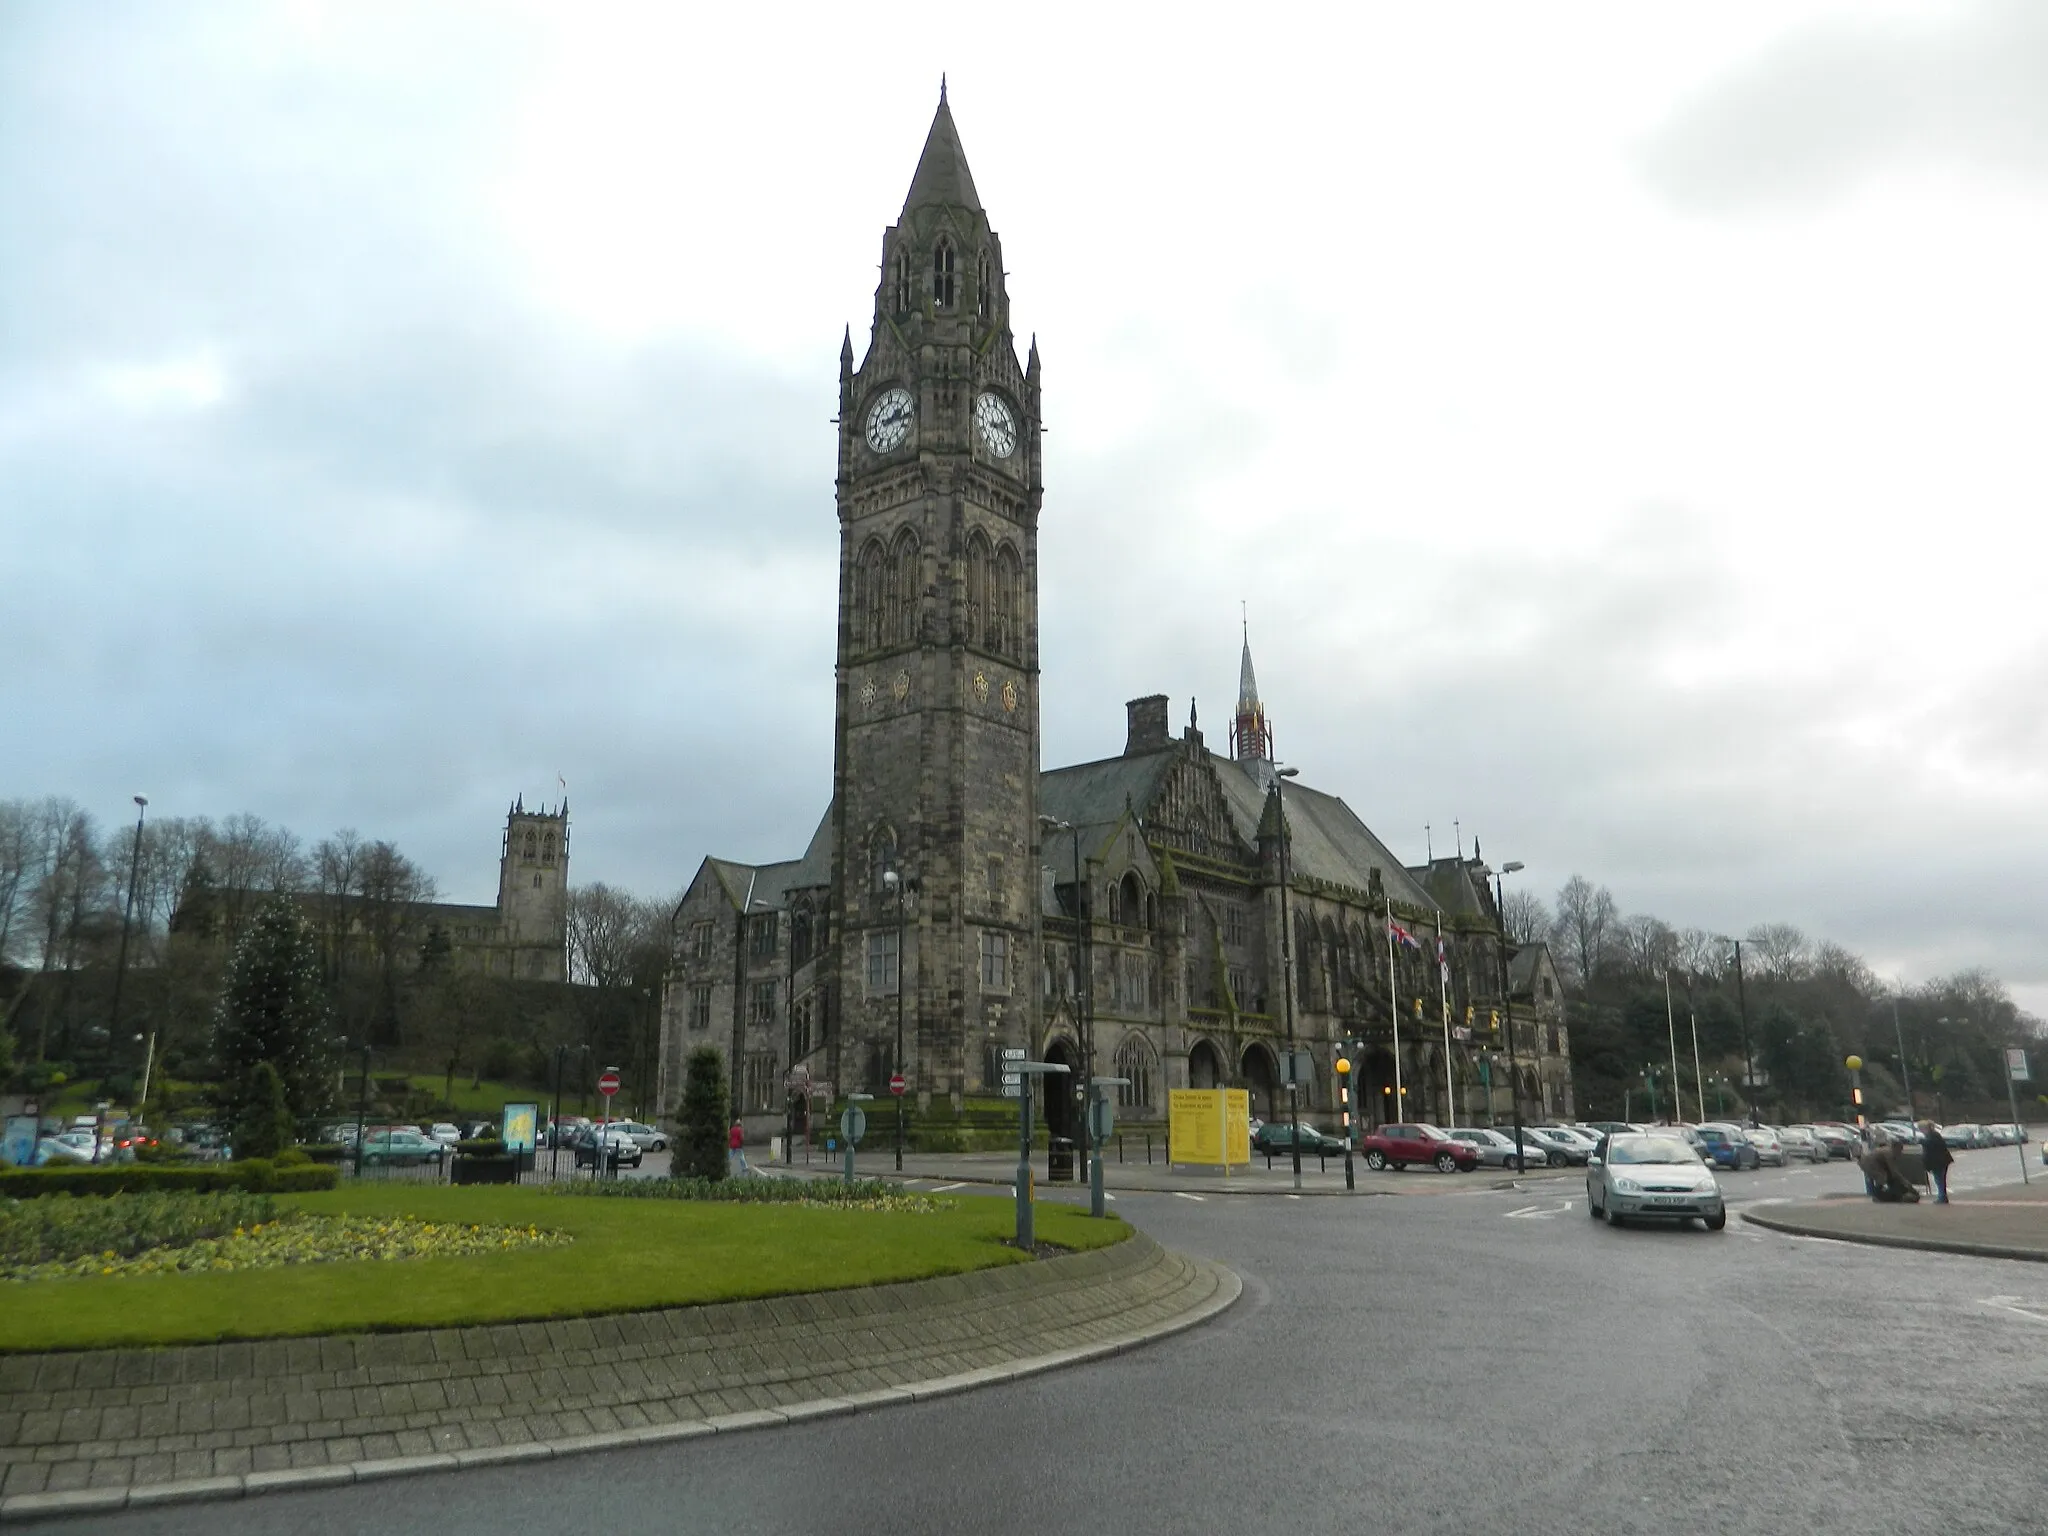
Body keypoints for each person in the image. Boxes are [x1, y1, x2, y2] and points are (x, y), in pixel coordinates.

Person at [1921, 1120, 1953, 1204]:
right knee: (1940, 1180)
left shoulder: (1932, 1136)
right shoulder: (1933, 1135)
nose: (1921, 1131)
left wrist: (1922, 1141)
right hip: (1942, 1161)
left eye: (1921, 1129)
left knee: (1939, 1180)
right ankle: (1943, 1196)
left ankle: (1942, 1197)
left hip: (1938, 1162)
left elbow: (1931, 1147)